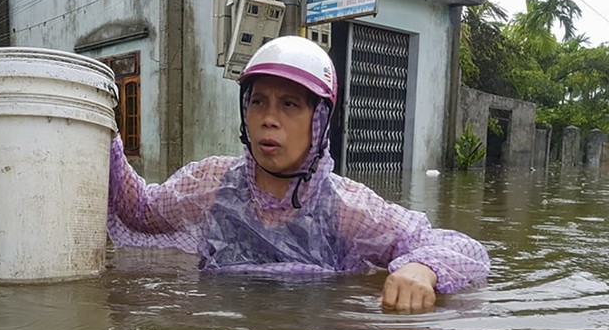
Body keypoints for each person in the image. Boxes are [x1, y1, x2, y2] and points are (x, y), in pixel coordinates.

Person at [107, 36, 489, 312]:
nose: (269, 119)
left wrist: (422, 269)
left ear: (319, 121)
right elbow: (138, 210)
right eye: (259, 102)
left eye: (289, 104)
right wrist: (102, 129)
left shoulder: (346, 208)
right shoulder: (212, 183)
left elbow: (460, 248)